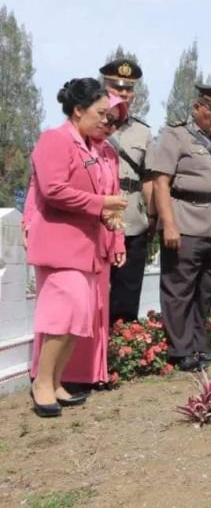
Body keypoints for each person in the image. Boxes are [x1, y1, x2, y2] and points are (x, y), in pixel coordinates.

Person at [26, 79, 128, 416]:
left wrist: (108, 218)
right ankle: (42, 383)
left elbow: (93, 197)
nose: (105, 121)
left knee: (76, 319)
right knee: (60, 317)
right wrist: (102, 203)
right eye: (100, 113)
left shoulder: (90, 148)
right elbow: (54, 189)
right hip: (59, 247)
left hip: (85, 248)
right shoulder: (54, 140)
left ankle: (56, 380)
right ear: (78, 110)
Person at [148, 84, 211, 372]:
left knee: (206, 289)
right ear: (197, 107)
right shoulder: (175, 135)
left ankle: (199, 346)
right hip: (185, 222)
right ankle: (181, 350)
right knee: (179, 288)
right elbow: (161, 182)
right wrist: (169, 224)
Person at [99, 59, 154, 324]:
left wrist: (152, 217)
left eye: (128, 89)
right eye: (116, 87)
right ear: (104, 86)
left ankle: (124, 346)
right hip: (98, 215)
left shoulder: (143, 132)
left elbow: (149, 179)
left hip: (132, 216)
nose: (123, 94)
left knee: (129, 287)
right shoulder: (91, 123)